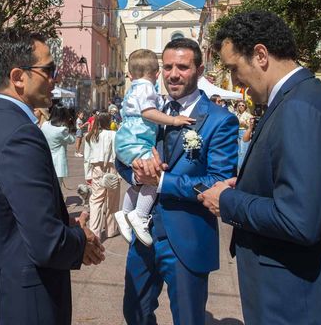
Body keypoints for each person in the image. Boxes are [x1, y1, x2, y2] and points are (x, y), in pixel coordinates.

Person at [201, 10, 321, 324]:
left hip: (304, 302)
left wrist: (227, 201)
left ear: (260, 55)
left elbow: (299, 219)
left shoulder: (299, 108)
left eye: (235, 68)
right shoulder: (302, 99)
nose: (235, 81)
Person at [0, 28, 104, 325]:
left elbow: (9, 214)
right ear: (18, 77)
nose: (55, 78)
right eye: (48, 70)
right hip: (20, 304)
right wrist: (80, 240)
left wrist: (64, 223)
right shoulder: (19, 135)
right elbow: (46, 243)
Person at [115, 39, 238, 325]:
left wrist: (161, 182)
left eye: (182, 67)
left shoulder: (220, 120)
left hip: (187, 237)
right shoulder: (152, 108)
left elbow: (218, 181)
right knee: (134, 312)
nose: (173, 74)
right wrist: (135, 174)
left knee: (188, 319)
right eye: (167, 66)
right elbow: (124, 153)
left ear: (199, 69)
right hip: (144, 234)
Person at [114, 48, 194, 247]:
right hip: (137, 140)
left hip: (128, 139)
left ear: (130, 74)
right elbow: (148, 112)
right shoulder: (147, 88)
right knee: (154, 175)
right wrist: (174, 120)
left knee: (141, 181)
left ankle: (124, 213)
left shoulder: (133, 88)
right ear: (157, 74)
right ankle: (139, 215)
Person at [84, 112, 120, 241]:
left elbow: (87, 158)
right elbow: (118, 154)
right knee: (112, 200)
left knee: (95, 200)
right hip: (112, 168)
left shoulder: (91, 136)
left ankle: (95, 231)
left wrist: (87, 174)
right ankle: (111, 229)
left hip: (96, 169)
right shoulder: (114, 134)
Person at [41, 104, 76, 185]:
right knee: (57, 188)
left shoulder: (45, 124)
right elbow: (72, 140)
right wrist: (69, 126)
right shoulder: (62, 130)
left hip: (46, 159)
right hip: (58, 162)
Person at [234, 100, 253, 168]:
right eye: (239, 105)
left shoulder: (249, 115)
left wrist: (245, 124)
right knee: (237, 151)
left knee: (243, 151)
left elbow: (251, 126)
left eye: (242, 105)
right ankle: (237, 167)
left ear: (245, 107)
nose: (241, 107)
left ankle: (241, 167)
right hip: (236, 133)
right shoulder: (235, 114)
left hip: (244, 132)